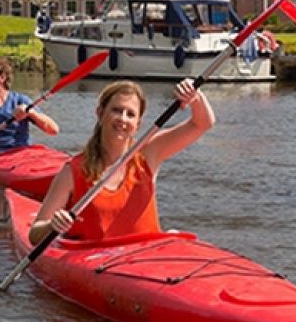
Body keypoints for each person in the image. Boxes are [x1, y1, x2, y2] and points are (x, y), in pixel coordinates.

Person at [29, 79, 213, 244]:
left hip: (146, 258)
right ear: (101, 113)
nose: (123, 119)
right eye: (116, 110)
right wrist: (52, 225)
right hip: (97, 263)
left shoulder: (149, 153)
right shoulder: (73, 171)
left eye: (130, 114)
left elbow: (202, 123)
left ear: (138, 124)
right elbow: (34, 235)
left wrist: (195, 96)